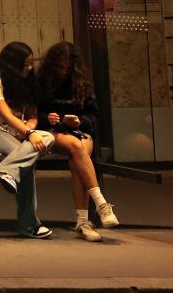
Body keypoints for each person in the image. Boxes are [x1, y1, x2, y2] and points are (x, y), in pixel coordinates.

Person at [35, 40, 120, 240]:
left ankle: (83, 222)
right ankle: (101, 205)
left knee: (78, 153)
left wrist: (79, 121)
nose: (64, 72)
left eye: (68, 68)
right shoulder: (42, 83)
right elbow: (32, 114)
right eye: (60, 67)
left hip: (80, 131)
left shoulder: (82, 84)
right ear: (52, 65)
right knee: (76, 147)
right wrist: (47, 117)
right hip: (53, 132)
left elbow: (94, 116)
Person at [0, 41, 56, 239]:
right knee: (27, 163)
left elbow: (32, 116)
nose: (30, 68)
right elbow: (6, 117)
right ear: (13, 63)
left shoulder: (30, 82)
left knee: (48, 136)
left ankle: (6, 170)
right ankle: (29, 224)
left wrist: (29, 128)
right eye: (26, 64)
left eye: (31, 63)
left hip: (19, 132)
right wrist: (29, 134)